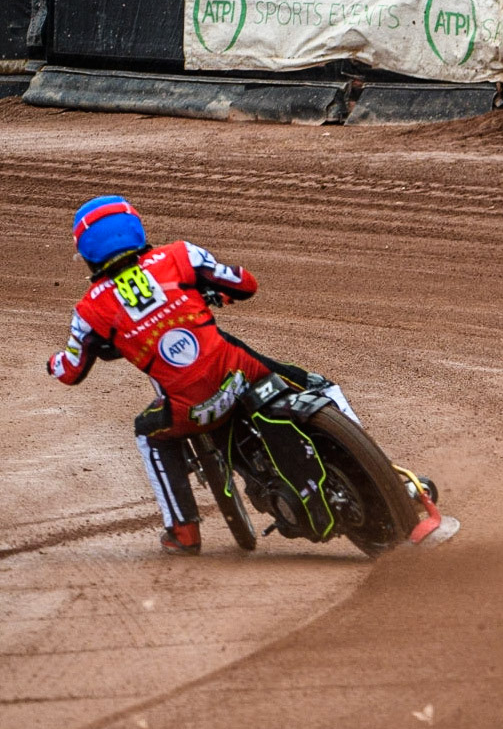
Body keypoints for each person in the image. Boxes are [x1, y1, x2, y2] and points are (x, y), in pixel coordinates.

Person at [46, 196, 361, 555]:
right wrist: (213, 291)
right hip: (241, 373)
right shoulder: (180, 255)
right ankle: (382, 467)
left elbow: (70, 371)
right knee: (318, 384)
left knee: (149, 433)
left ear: (87, 252)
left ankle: (183, 532)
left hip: (189, 411)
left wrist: (52, 364)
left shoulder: (89, 310)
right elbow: (246, 283)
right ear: (136, 229)